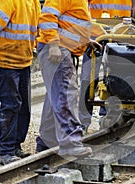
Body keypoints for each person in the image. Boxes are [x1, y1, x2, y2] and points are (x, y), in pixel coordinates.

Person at [0, 0, 41, 165]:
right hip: (5, 64)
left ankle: (14, 146)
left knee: (23, 107)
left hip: (23, 63)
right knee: (11, 105)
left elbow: (35, 30)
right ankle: (5, 151)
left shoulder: (33, 2)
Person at [35, 0, 99, 157]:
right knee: (66, 93)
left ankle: (47, 141)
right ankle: (70, 142)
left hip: (62, 47)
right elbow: (47, 17)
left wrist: (84, 41)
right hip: (58, 49)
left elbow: (67, 23)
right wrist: (54, 45)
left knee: (55, 96)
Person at [79, 0, 135, 134]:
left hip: (121, 33)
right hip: (96, 34)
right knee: (87, 79)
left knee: (115, 78)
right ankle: (83, 122)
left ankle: (108, 116)